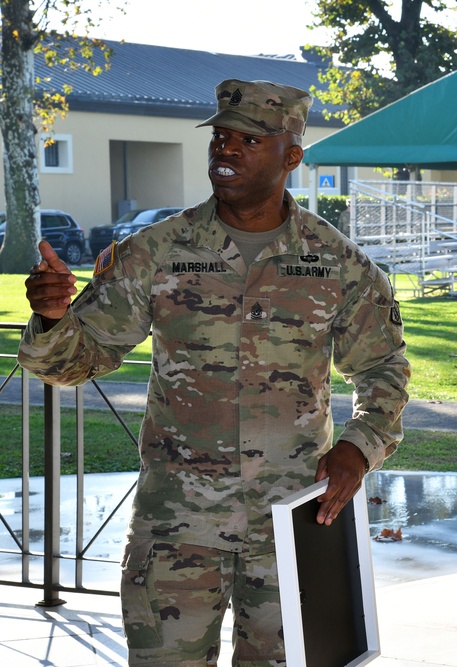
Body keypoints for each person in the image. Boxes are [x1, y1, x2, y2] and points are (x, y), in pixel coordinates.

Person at [19, 79, 410, 665]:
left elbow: (383, 368)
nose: (226, 149)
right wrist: (52, 319)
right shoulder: (155, 251)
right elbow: (77, 362)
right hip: (177, 527)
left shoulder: (339, 264)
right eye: (221, 137)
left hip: (292, 527)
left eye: (249, 140)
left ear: (292, 155)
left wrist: (360, 446)